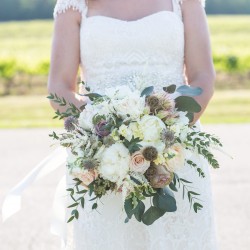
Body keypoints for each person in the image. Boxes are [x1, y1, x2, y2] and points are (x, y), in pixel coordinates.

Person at [48, 0, 218, 249]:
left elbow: (202, 77)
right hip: (103, 165)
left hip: (176, 154)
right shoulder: (74, 4)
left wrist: (167, 136)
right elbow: (60, 88)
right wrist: (102, 138)